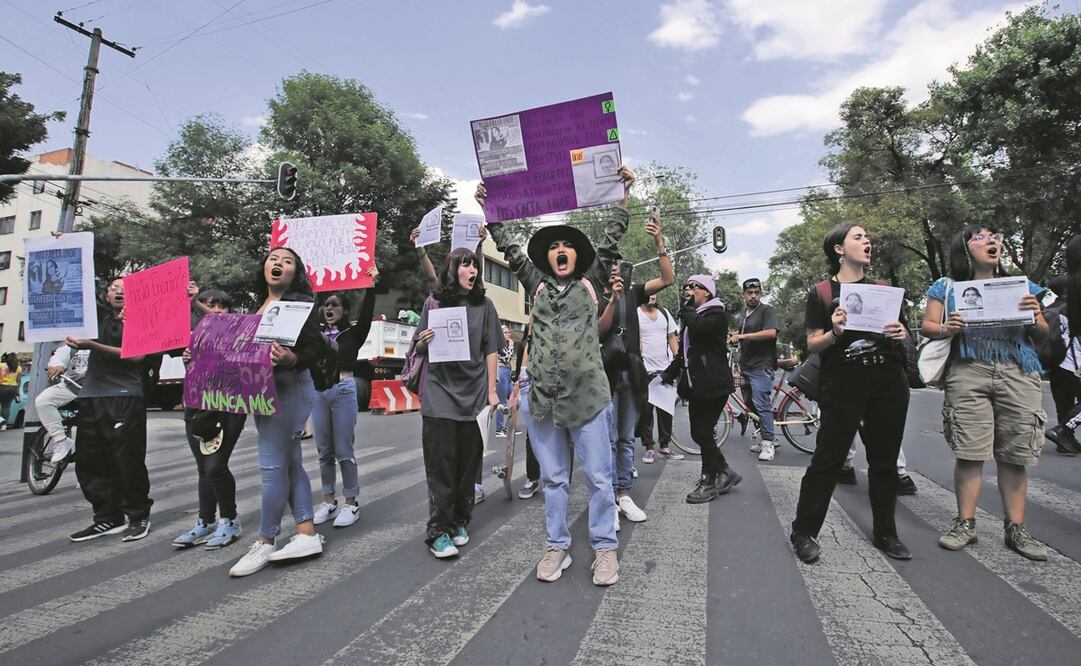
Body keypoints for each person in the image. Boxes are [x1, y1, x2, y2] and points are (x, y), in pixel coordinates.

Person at [478, 165, 634, 587]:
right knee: (554, 479)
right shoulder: (537, 286)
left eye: (567, 246)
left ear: (576, 258)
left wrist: (623, 194)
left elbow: (610, 238)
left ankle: (604, 548)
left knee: (601, 479)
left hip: (588, 397)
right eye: (555, 246)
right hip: (542, 398)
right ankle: (557, 546)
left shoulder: (591, 282)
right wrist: (490, 209)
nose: (561, 250)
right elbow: (509, 249)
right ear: (547, 257)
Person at [923, 225, 1051, 561]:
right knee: (970, 451)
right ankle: (965, 523)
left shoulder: (1022, 285)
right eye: (981, 237)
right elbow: (928, 326)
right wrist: (946, 327)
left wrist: (1035, 314)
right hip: (968, 370)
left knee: (1016, 454)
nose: (991, 240)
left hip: (1018, 370)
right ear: (964, 248)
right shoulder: (947, 287)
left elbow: (1042, 333)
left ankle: (1016, 529)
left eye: (994, 236)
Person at [788, 224, 912, 564]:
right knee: (828, 459)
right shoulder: (823, 292)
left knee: (884, 462)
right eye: (858, 237)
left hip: (888, 381)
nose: (867, 241)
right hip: (843, 383)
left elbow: (902, 336)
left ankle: (886, 532)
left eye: (867, 237)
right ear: (839, 249)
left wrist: (902, 333)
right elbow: (813, 342)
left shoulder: (885, 289)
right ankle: (804, 531)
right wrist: (836, 331)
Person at [229, 247, 326, 577]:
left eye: (287, 261)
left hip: (289, 389)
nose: (278, 264)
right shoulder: (260, 305)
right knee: (291, 462)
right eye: (273, 259)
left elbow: (317, 348)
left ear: (294, 271)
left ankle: (265, 539)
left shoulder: (300, 303)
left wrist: (292, 359)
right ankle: (306, 532)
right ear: (264, 267)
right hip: (263, 392)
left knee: (272, 467)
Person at [412, 248, 500, 558]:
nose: (472, 270)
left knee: (468, 466)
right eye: (465, 265)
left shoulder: (485, 306)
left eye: (475, 265)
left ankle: (461, 520)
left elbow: (491, 350)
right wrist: (424, 340)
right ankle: (439, 531)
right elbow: (418, 347)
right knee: (441, 467)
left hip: (474, 396)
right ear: (453, 270)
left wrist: (492, 392)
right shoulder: (434, 304)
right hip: (439, 395)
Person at [67, 277, 154, 543]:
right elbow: (74, 286)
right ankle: (107, 517)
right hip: (92, 395)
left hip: (124, 396)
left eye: (125, 289)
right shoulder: (97, 321)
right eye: (114, 288)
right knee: (88, 461)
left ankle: (138, 516)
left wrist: (91, 345)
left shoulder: (142, 321)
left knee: (126, 460)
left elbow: (136, 356)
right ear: (106, 295)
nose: (119, 292)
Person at [601, 213, 674, 526]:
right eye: (611, 264)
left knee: (627, 438)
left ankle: (623, 494)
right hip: (603, 374)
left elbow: (668, 279)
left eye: (620, 264)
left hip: (631, 373)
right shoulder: (592, 295)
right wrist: (611, 300)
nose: (616, 268)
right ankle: (606, 499)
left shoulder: (634, 292)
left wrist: (659, 241)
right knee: (608, 438)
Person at [174, 287, 247, 550]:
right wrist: (188, 361)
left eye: (221, 305)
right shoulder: (193, 339)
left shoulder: (237, 333)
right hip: (197, 408)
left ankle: (230, 519)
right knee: (203, 468)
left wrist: (193, 300)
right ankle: (206, 522)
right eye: (209, 305)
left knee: (216, 466)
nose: (216, 310)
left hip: (228, 407)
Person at [661, 275, 742, 503]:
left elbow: (700, 330)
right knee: (699, 433)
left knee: (703, 432)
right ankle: (725, 472)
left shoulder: (716, 314)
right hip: (698, 385)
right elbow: (685, 355)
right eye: (687, 286)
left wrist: (686, 311)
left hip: (713, 384)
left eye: (693, 287)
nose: (688, 290)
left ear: (707, 292)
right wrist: (667, 375)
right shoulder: (694, 317)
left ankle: (709, 481)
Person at [311, 268, 379, 529]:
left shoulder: (353, 333)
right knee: (324, 451)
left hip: (343, 390)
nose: (329, 308)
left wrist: (371, 285)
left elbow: (365, 315)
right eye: (326, 304)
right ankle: (329, 500)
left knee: (343, 451)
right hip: (319, 393)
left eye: (335, 305)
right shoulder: (315, 335)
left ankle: (351, 503)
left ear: (345, 310)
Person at [728, 278, 781, 462]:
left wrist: (743, 335)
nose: (753, 296)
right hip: (746, 365)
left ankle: (768, 443)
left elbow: (771, 332)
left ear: (760, 293)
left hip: (762, 366)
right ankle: (765, 435)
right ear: (744, 295)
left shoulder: (767, 311)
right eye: (749, 293)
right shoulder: (744, 312)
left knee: (761, 404)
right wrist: (734, 335)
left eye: (756, 292)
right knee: (749, 405)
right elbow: (740, 331)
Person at [637, 293, 682, 463]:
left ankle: (665, 446)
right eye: (649, 291)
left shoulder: (664, 313)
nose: (653, 295)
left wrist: (678, 360)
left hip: (665, 369)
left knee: (665, 410)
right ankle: (649, 447)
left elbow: (671, 336)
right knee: (646, 411)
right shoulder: (636, 313)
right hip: (645, 370)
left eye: (655, 292)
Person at [1041, 272, 1081, 455]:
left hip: (1055, 364)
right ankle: (1063, 431)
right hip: (1075, 363)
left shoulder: (1050, 309)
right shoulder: (1075, 307)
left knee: (1063, 404)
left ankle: (1065, 442)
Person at [38, 343, 88, 463]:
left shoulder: (105, 342)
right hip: (72, 387)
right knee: (43, 400)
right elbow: (60, 357)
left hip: (97, 389)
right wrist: (58, 366)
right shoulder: (72, 347)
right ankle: (61, 441)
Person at [495, 325, 515, 437]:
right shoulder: (498, 343)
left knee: (515, 400)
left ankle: (509, 426)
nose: (508, 334)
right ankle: (499, 429)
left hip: (508, 371)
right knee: (502, 401)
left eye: (509, 332)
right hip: (501, 371)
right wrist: (511, 345)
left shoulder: (506, 345)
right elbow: (507, 358)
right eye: (505, 332)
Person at [0, 352, 23, 429]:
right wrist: (17, 391)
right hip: (13, 388)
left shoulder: (1, 365)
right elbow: (18, 381)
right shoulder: (18, 368)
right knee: (6, 406)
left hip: (2, 387)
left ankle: (0, 420)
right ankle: (4, 425)